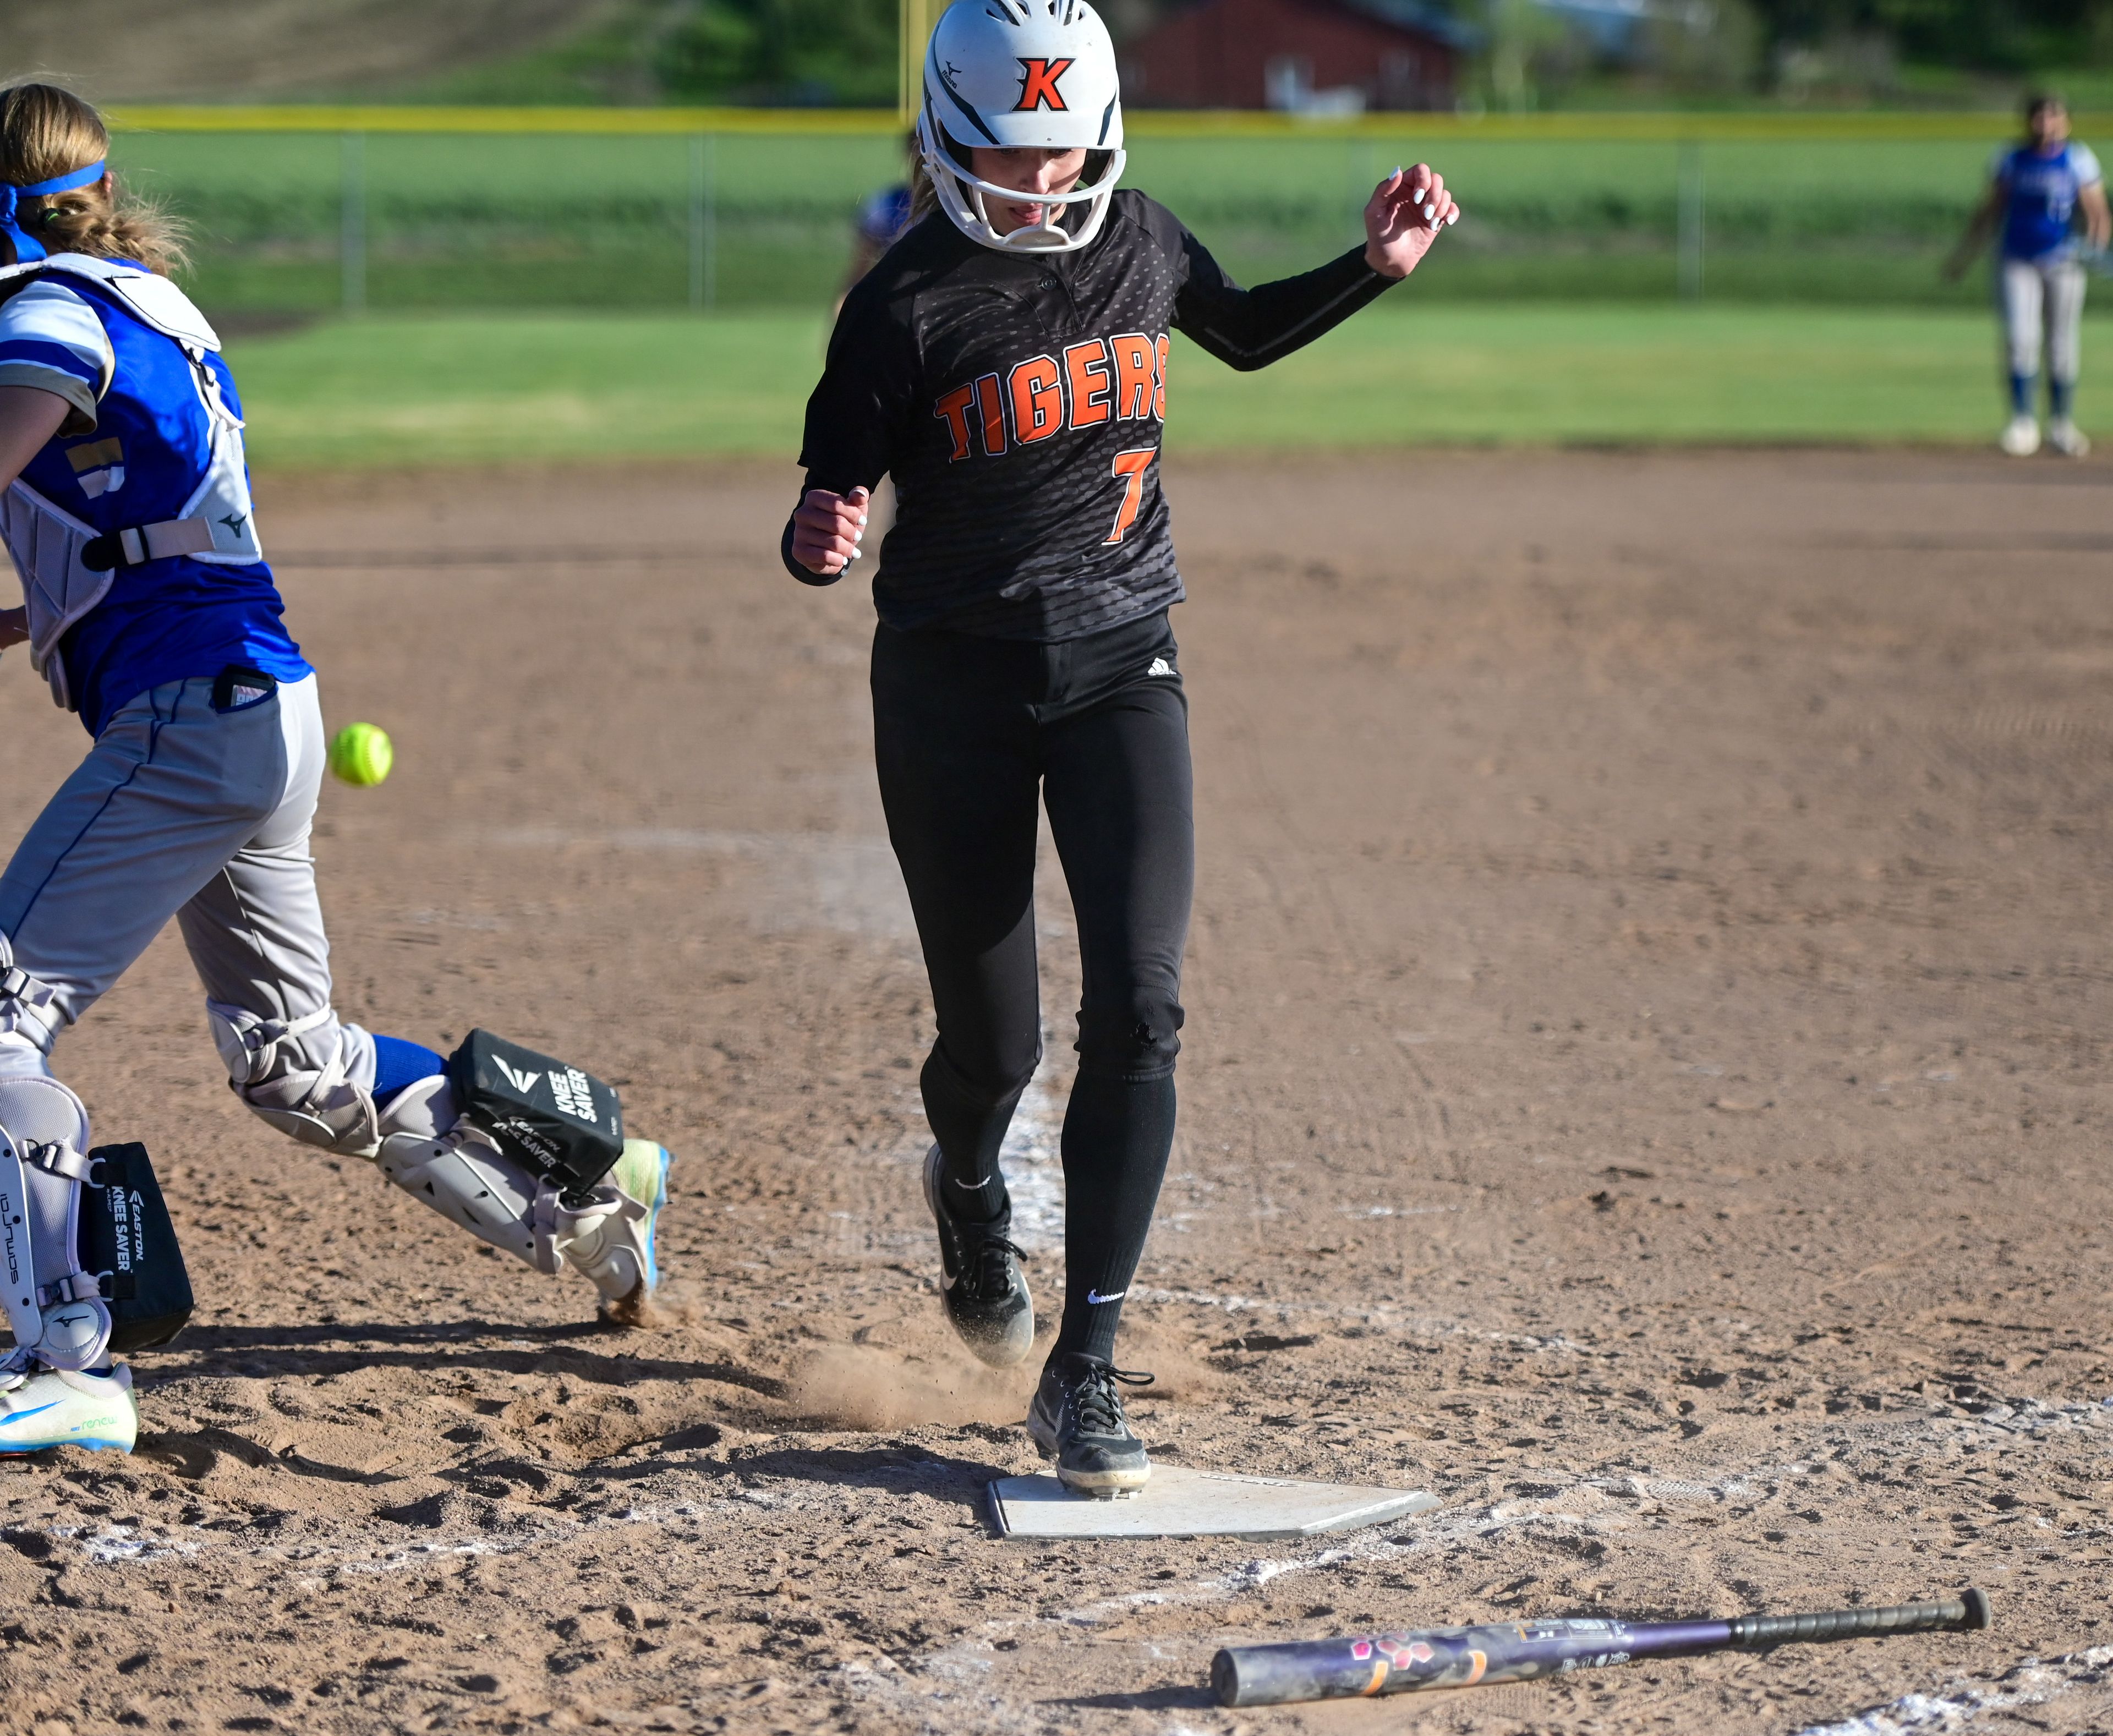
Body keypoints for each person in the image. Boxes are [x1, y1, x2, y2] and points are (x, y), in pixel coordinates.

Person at [780, 0, 1457, 1498]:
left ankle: (1082, 1372)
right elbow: (828, 496)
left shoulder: (1140, 240)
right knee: (994, 1046)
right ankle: (968, 1190)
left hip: (1121, 667)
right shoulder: (903, 306)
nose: (1046, 183)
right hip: (952, 688)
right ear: (951, 145)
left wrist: (1374, 267)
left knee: (1142, 1010)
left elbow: (1244, 332)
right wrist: (818, 535)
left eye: (1066, 152)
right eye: (1014, 160)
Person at [0, 84, 672, 1456]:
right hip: (252, 708)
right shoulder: (137, 300)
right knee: (293, 1059)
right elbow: (138, 536)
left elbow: (33, 410)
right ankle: (590, 1195)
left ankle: (62, 1354)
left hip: (193, 721)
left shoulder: (45, 311)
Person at [1945, 91, 2109, 457]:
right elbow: (1991, 209)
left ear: (2065, 121)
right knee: (2021, 339)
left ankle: (2061, 424)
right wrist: (1964, 256)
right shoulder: (2011, 158)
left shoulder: (2077, 158)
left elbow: (2097, 212)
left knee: (2061, 342)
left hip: (2063, 261)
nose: (2046, 124)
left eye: (2054, 116)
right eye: (2040, 116)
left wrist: (2095, 247)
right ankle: (2022, 423)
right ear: (2028, 120)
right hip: (2016, 258)